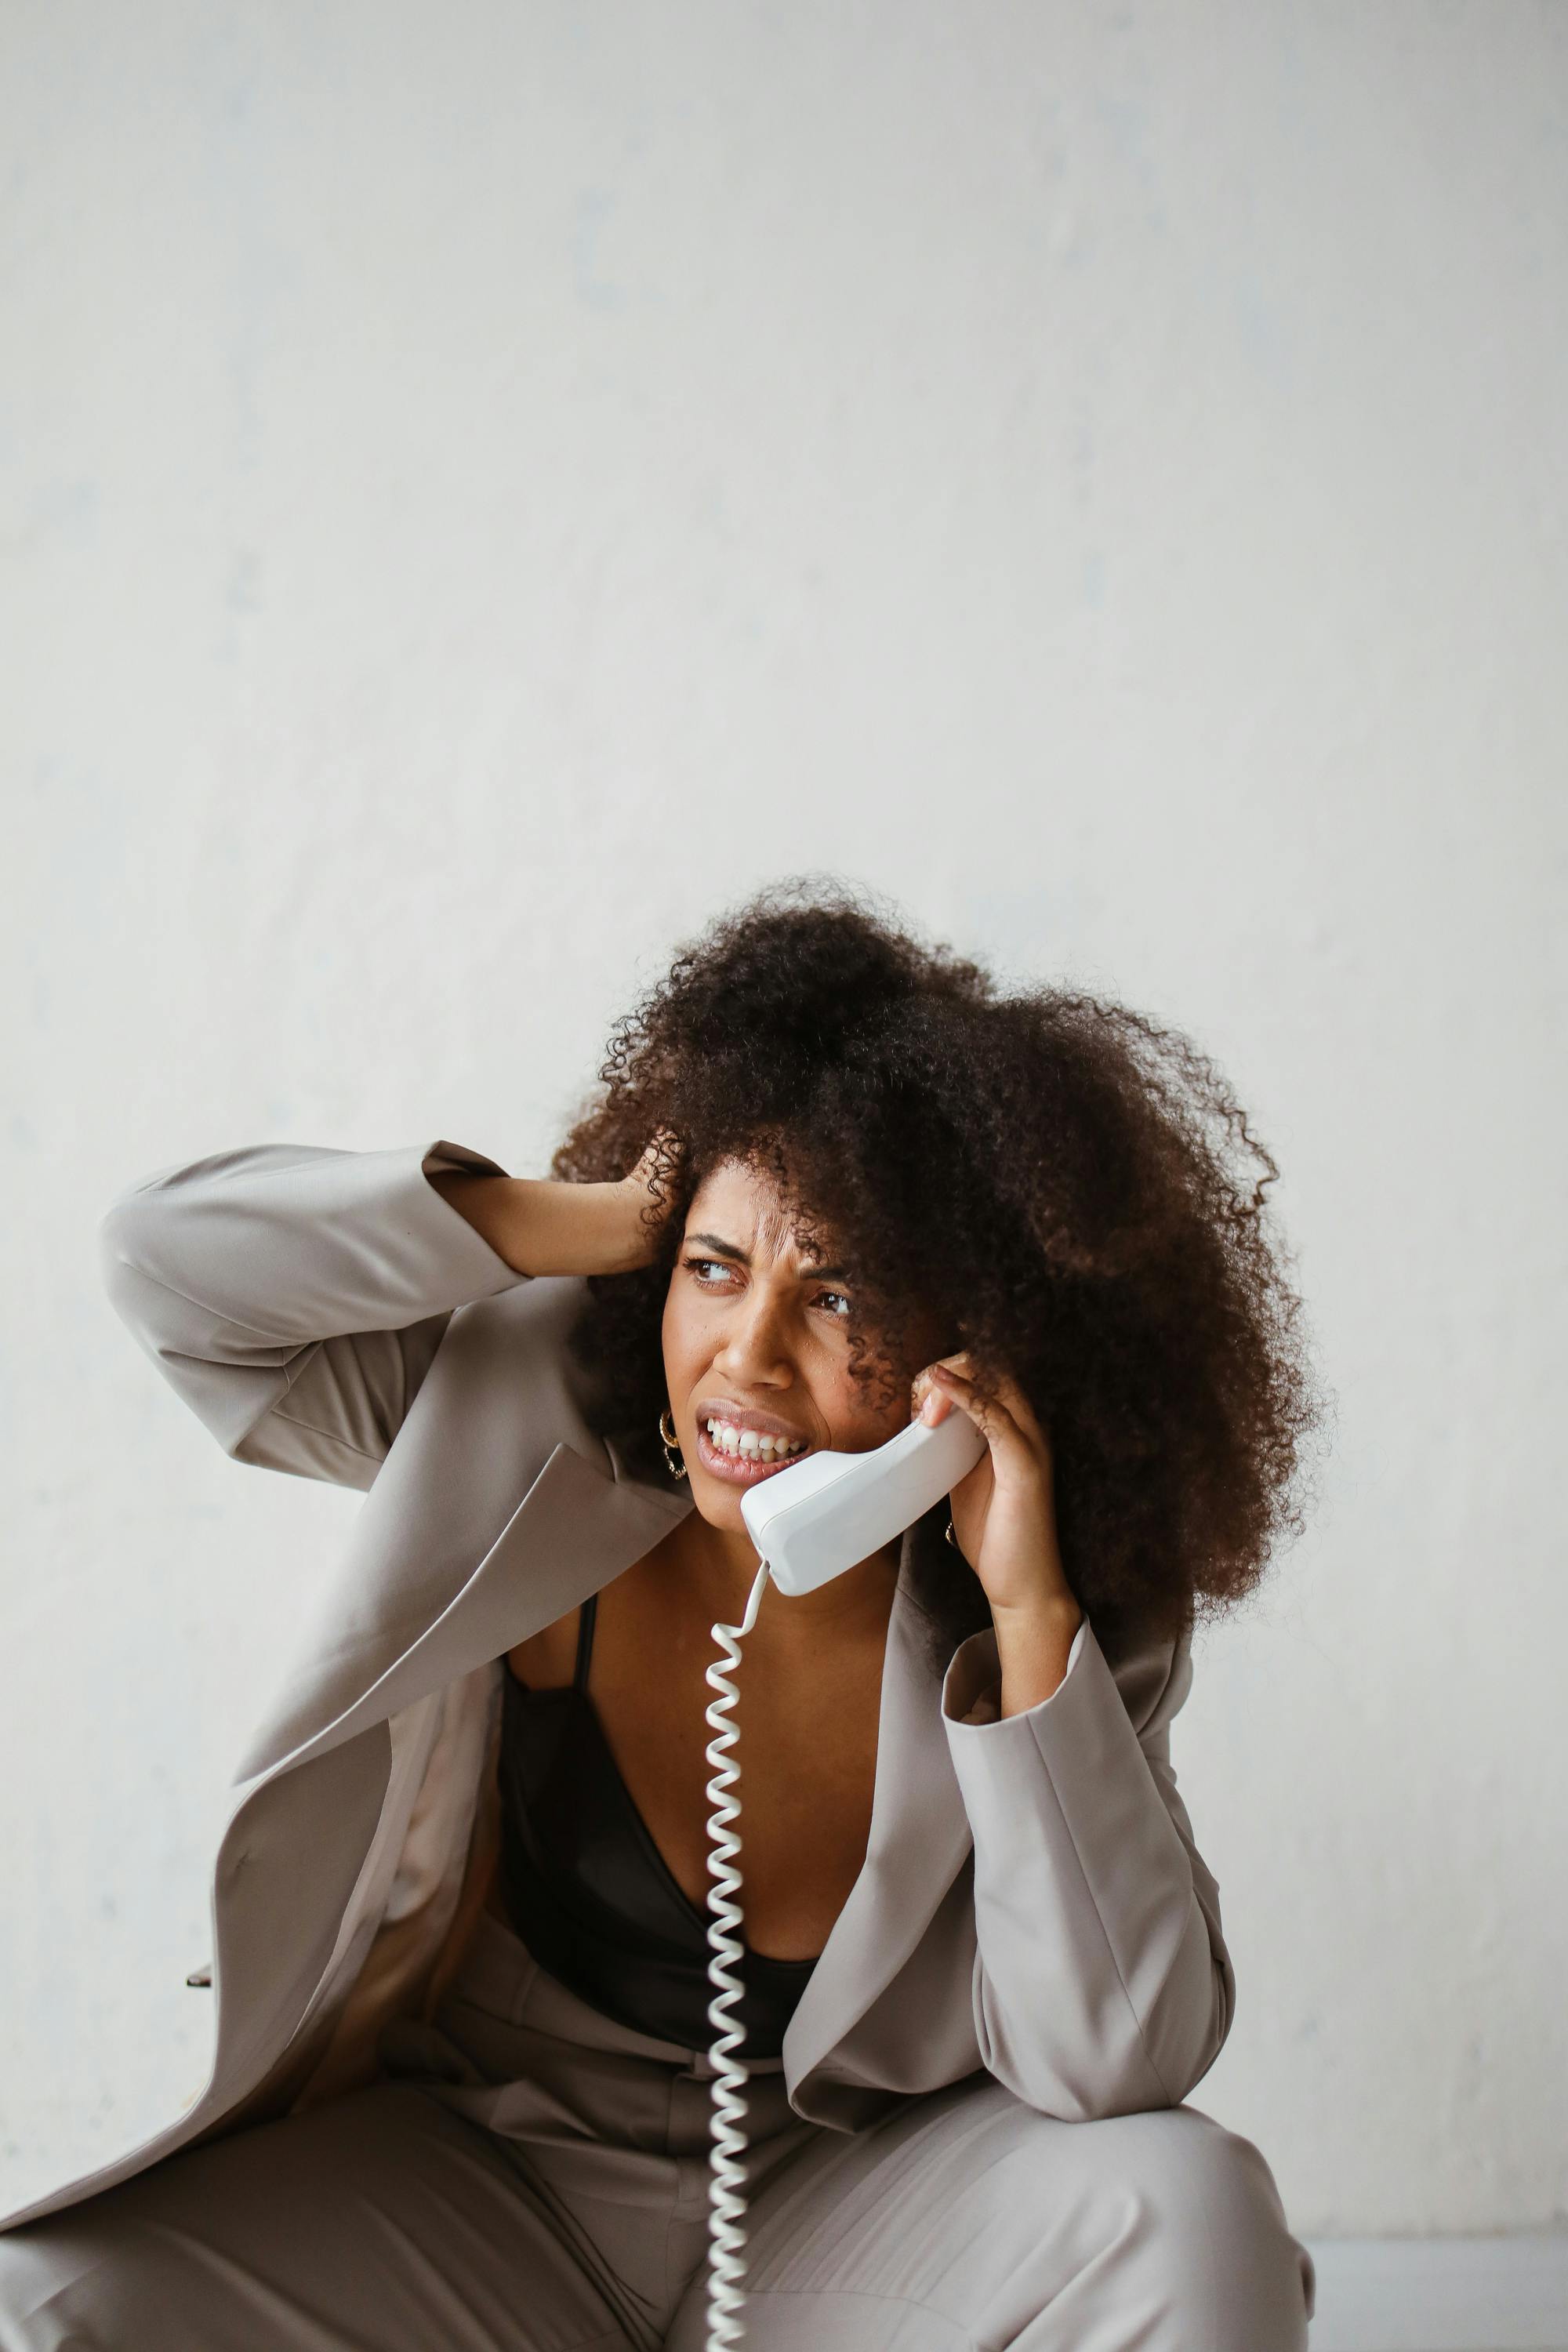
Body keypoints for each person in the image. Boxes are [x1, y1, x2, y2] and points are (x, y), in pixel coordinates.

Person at [0, 880, 1321, 2348]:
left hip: (854, 2213)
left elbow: (1118, 2060)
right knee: (50, 2301)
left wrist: (1026, 1614)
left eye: (839, 1298)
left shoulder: (1057, 1613)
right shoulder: (517, 1414)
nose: (746, 1354)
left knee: (1190, 2207)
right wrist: (606, 1214)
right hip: (493, 2186)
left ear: (972, 1356)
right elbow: (165, 1269)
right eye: (715, 1270)